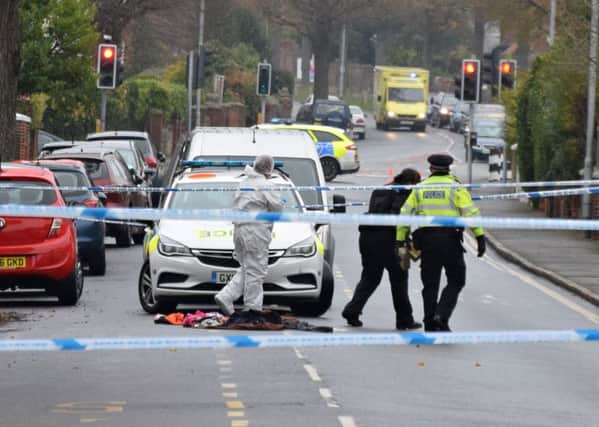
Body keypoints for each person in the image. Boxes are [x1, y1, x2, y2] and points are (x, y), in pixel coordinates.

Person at [396, 154, 486, 332]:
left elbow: (404, 214)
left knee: (430, 284)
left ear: (430, 169)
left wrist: (400, 239)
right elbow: (470, 212)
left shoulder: (420, 188)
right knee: (456, 279)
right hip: (450, 240)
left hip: (427, 241)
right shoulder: (455, 187)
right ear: (448, 169)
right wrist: (479, 236)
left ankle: (430, 322)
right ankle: (441, 315)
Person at [341, 168, 422, 330]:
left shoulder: (380, 190)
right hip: (395, 241)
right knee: (400, 282)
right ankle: (405, 320)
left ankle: (352, 311)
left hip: (368, 239)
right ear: (412, 182)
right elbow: (403, 221)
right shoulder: (407, 194)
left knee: (369, 278)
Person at [214, 154, 282, 316]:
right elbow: (277, 210)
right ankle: (252, 309)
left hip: (239, 231)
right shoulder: (266, 185)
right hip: (255, 232)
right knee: (256, 272)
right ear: (269, 168)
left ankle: (226, 296)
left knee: (247, 268)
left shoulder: (244, 183)